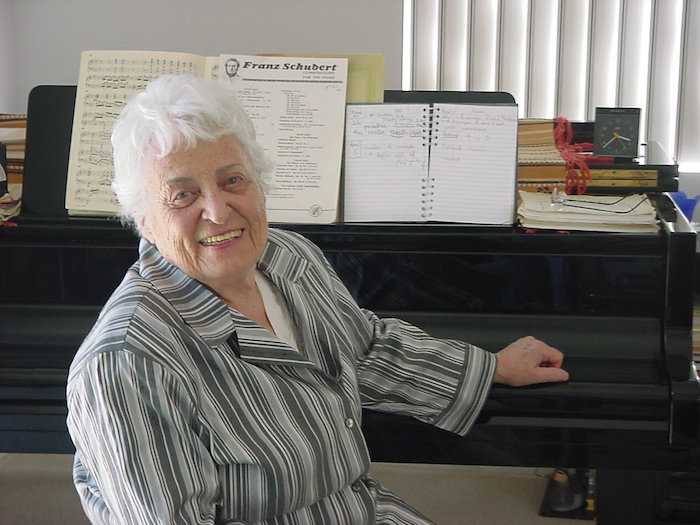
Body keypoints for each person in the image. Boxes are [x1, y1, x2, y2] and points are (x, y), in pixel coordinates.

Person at [66, 74, 569, 525]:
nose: (218, 211)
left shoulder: (287, 256)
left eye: (232, 180)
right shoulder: (125, 364)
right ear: (142, 219)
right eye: (182, 195)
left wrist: (490, 368)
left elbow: (365, 349)